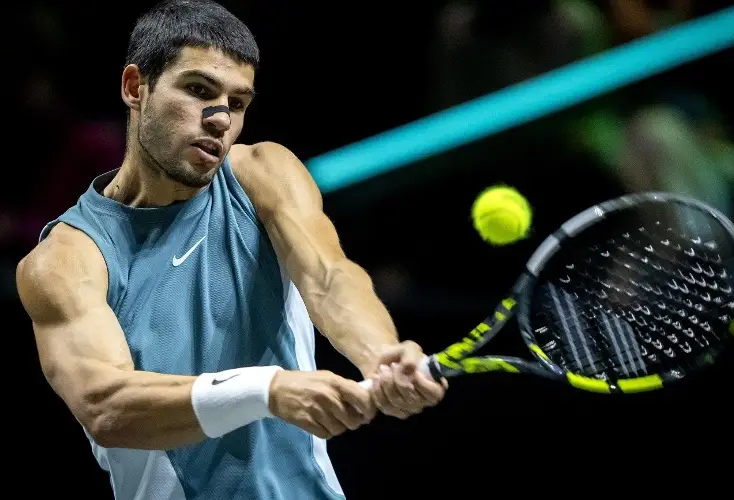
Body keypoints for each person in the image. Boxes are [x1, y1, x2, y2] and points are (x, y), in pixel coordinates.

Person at [15, 1, 446, 499]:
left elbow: (328, 278)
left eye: (237, 103)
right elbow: (106, 405)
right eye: (198, 91)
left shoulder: (262, 173)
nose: (220, 119)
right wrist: (266, 390)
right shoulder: (66, 260)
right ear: (136, 87)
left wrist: (381, 357)